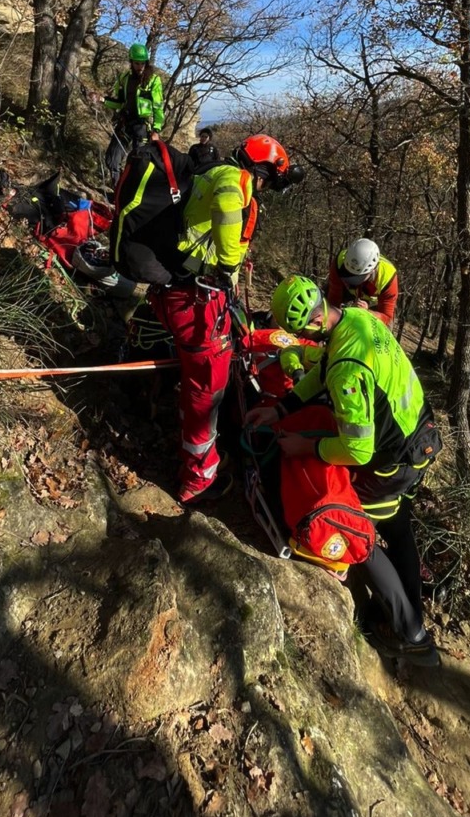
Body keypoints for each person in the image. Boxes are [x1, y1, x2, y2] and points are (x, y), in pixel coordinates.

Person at [249, 275, 441, 666]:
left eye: (300, 331)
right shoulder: (355, 319)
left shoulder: (347, 370)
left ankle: (411, 636)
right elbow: (324, 369)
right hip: (418, 434)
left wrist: (307, 446)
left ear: (312, 325)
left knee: (355, 528)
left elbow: (356, 448)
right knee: (398, 527)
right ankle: (414, 623)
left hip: (393, 457)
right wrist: (283, 409)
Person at [148, 134, 298, 506]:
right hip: (196, 302)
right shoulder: (234, 181)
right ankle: (198, 478)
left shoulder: (209, 171)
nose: (263, 188)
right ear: (259, 170)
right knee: (206, 389)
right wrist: (230, 262)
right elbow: (229, 215)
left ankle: (194, 447)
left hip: (174, 290)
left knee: (196, 378)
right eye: (267, 180)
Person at [102, 43, 165, 180]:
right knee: (112, 159)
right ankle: (118, 189)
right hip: (125, 122)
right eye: (137, 63)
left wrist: (156, 130)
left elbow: (158, 107)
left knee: (139, 164)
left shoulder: (153, 80)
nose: (140, 67)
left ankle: (132, 193)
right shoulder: (124, 78)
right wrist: (102, 100)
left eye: (143, 63)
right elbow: (120, 102)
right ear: (131, 62)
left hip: (142, 126)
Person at [325, 237, 399, 327]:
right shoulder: (339, 263)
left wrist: (367, 313)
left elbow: (386, 317)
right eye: (348, 273)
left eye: (358, 277)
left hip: (375, 301)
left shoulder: (388, 278)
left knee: (382, 330)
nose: (353, 280)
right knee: (325, 306)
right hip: (347, 290)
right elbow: (334, 298)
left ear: (373, 270)